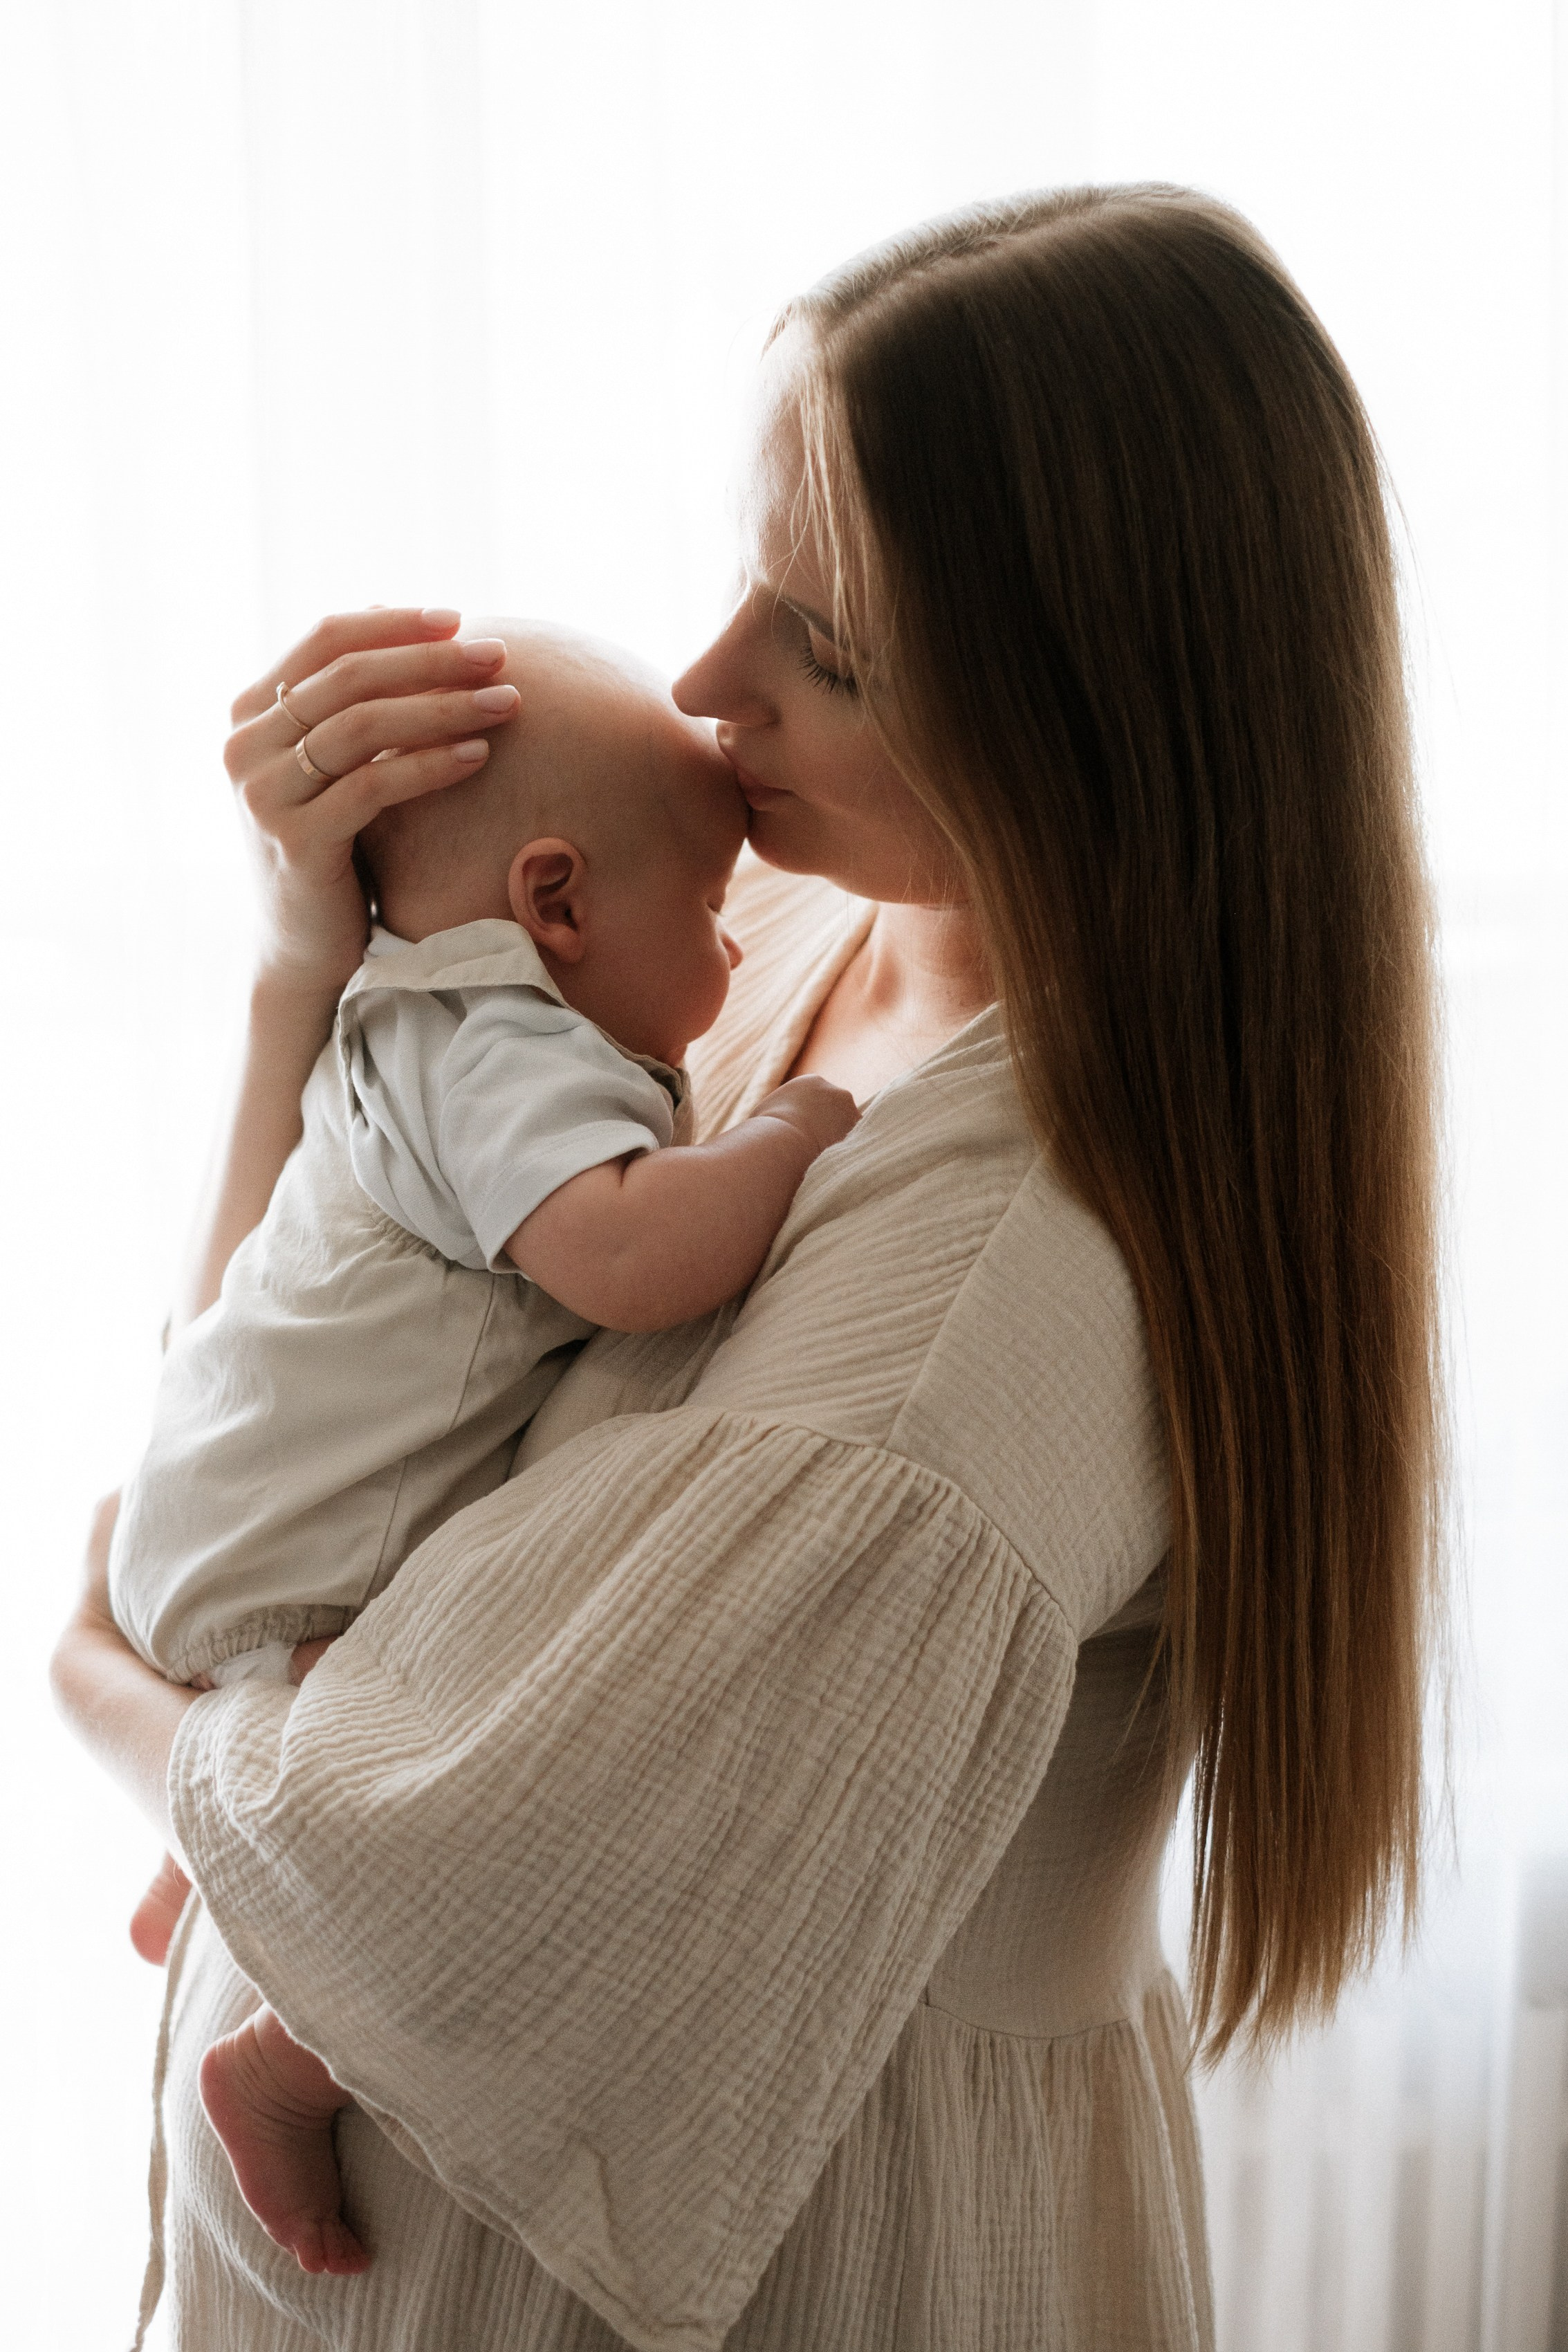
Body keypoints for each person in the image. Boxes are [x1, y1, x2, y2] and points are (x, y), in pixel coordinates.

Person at [52, 184, 1444, 2352]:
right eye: (748, 574)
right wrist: (306, 972)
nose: (707, 690)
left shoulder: (981, 1313)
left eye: (830, 651)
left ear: (1085, 724)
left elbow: (468, 1862)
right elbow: (321, 1334)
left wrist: (122, 1695)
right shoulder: (766, 930)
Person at [107, 618, 859, 2278]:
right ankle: (285, 2059)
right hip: (289, 1565)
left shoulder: (424, 1019)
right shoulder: (506, 1044)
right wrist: (795, 1130)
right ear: (556, 902)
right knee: (420, 1820)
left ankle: (193, 1884)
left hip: (225, 1508)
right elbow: (628, 1255)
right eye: (710, 909)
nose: (733, 951)